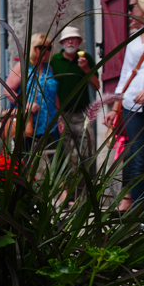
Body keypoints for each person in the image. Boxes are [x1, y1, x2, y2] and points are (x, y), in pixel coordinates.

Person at [103, 0, 144, 211]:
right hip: (133, 105)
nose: (129, 10)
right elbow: (126, 73)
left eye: (132, 6)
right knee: (138, 157)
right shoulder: (133, 39)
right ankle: (139, 211)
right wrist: (116, 107)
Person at [50, 26, 98, 199]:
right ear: (62, 43)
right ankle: (70, 198)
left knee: (87, 154)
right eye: (67, 39)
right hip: (62, 116)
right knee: (69, 157)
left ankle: (86, 196)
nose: (71, 41)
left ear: (79, 42)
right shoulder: (54, 61)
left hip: (83, 114)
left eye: (74, 39)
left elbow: (96, 86)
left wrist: (86, 70)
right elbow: (50, 89)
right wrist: (57, 116)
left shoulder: (87, 58)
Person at [3, 33, 61, 152]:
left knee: (58, 158)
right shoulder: (23, 66)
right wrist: (25, 104)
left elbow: (53, 95)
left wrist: (59, 117)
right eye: (41, 47)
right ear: (33, 48)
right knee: (24, 159)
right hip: (27, 120)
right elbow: (7, 90)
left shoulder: (48, 68)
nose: (46, 51)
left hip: (49, 122)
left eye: (48, 48)